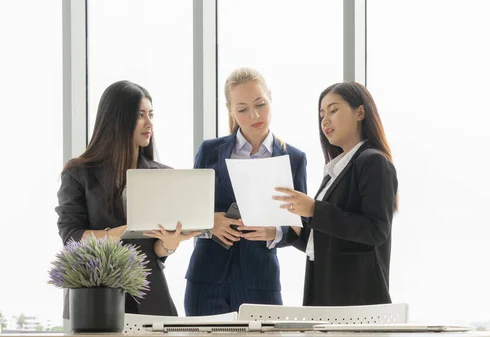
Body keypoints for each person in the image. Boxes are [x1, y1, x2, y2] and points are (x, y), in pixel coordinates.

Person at [56, 80, 200, 318]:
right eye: (140, 115)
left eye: (151, 114)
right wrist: (123, 232)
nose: (149, 123)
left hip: (151, 298)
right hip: (96, 299)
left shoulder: (162, 175)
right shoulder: (78, 172)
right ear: (117, 119)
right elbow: (71, 236)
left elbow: (157, 250)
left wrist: (170, 243)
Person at [184, 68, 307, 315]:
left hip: (260, 280)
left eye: (260, 104)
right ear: (229, 110)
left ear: (270, 97)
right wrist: (210, 221)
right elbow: (189, 211)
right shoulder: (209, 151)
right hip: (206, 278)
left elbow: (300, 226)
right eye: (242, 109)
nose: (254, 115)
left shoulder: (293, 158)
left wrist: (273, 232)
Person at [273, 81, 398, 306]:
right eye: (322, 115)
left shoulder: (373, 162)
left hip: (357, 301)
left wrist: (314, 209)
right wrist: (286, 228)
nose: (325, 120)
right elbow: (326, 243)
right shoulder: (334, 172)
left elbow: (376, 231)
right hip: (327, 296)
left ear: (360, 112)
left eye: (333, 110)